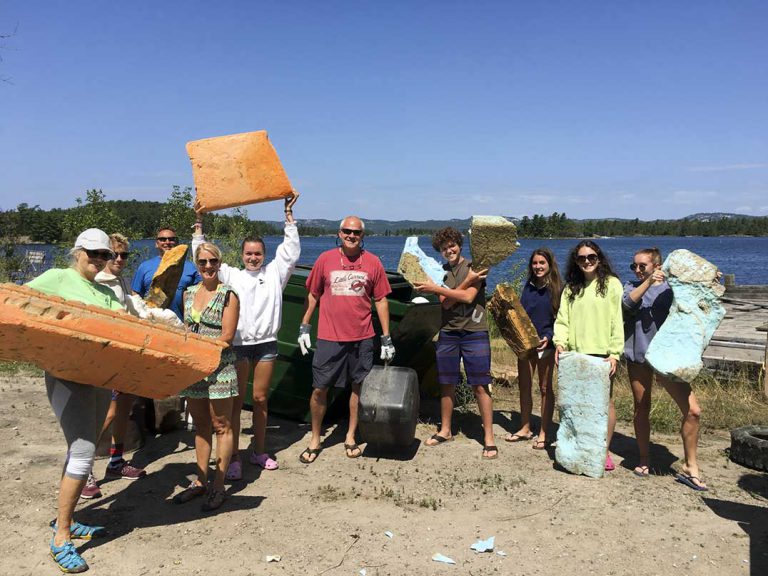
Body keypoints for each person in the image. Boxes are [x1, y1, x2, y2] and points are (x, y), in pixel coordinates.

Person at [26, 228, 125, 573]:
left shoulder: (107, 292)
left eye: (104, 254)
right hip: (67, 379)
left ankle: (65, 520)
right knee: (83, 453)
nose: (98, 259)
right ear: (77, 251)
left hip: (100, 380)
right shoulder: (58, 278)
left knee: (81, 451)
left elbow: (124, 330)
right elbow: (16, 304)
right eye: (92, 252)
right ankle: (61, 538)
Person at [192, 194, 300, 479]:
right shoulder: (231, 276)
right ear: (241, 255)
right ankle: (234, 457)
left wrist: (289, 217)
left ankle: (259, 451)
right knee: (237, 403)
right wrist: (199, 224)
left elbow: (290, 252)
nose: (253, 258)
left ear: (264, 255)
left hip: (266, 345)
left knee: (261, 399)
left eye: (258, 253)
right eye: (249, 253)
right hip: (238, 347)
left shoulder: (275, 274)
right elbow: (203, 256)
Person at [297, 216, 394, 463]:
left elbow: (381, 300)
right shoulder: (325, 259)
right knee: (320, 388)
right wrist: (304, 326)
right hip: (329, 337)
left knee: (358, 387)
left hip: (362, 338)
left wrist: (386, 337)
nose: (351, 236)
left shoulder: (373, 262)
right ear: (339, 233)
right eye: (347, 231)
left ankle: (350, 436)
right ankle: (315, 438)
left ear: (363, 236)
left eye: (356, 232)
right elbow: (313, 294)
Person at [623, 248, 707, 490]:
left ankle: (690, 466)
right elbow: (627, 304)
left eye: (643, 266)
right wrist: (648, 281)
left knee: (693, 411)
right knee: (641, 407)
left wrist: (709, 279)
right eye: (634, 266)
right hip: (639, 355)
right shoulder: (630, 286)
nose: (637, 270)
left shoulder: (672, 288)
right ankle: (644, 459)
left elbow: (698, 299)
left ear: (657, 266)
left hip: (668, 358)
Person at [413, 227, 496, 459]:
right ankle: (446, 430)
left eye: (452, 245)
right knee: (446, 383)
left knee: (480, 384)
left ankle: (489, 438)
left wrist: (440, 287)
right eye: (444, 248)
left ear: (459, 244)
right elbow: (446, 303)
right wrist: (447, 286)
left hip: (475, 331)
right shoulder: (439, 271)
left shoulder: (475, 266)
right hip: (449, 332)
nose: (449, 250)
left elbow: (468, 297)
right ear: (439, 251)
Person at [172, 242, 240, 511]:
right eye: (203, 262)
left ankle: (219, 485)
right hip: (195, 370)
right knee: (200, 426)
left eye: (213, 261)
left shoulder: (228, 294)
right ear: (196, 264)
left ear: (219, 263)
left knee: (221, 426)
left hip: (220, 369)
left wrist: (200, 348)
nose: (208, 266)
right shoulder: (188, 293)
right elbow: (186, 328)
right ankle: (201, 480)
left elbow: (227, 336)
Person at [81, 234, 147, 500]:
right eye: (113, 254)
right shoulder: (97, 281)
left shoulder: (121, 281)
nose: (119, 259)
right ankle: (83, 468)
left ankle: (116, 461)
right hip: (106, 357)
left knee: (124, 408)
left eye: (124, 255)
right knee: (105, 413)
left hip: (126, 354)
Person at [553, 240, 623, 471]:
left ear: (599, 258)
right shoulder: (571, 288)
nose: (587, 261)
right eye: (582, 258)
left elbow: (617, 320)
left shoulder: (611, 284)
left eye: (591, 257)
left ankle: (603, 450)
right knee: (575, 403)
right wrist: (560, 343)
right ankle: (579, 448)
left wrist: (615, 353)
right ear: (576, 261)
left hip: (602, 354)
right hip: (574, 353)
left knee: (604, 403)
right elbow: (563, 319)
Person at [505, 248, 562, 450]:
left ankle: (544, 432)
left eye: (542, 263)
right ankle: (525, 427)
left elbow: (561, 319)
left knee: (545, 388)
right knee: (524, 385)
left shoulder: (557, 289)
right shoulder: (528, 287)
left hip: (546, 344)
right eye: (535, 263)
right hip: (526, 344)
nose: (538, 266)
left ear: (549, 265)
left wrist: (549, 337)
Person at [131, 225, 200, 319]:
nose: (167, 242)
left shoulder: (190, 267)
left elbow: (201, 291)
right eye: (163, 239)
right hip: (152, 321)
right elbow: (135, 294)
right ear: (156, 244)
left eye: (171, 239)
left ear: (177, 242)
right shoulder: (144, 267)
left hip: (181, 322)